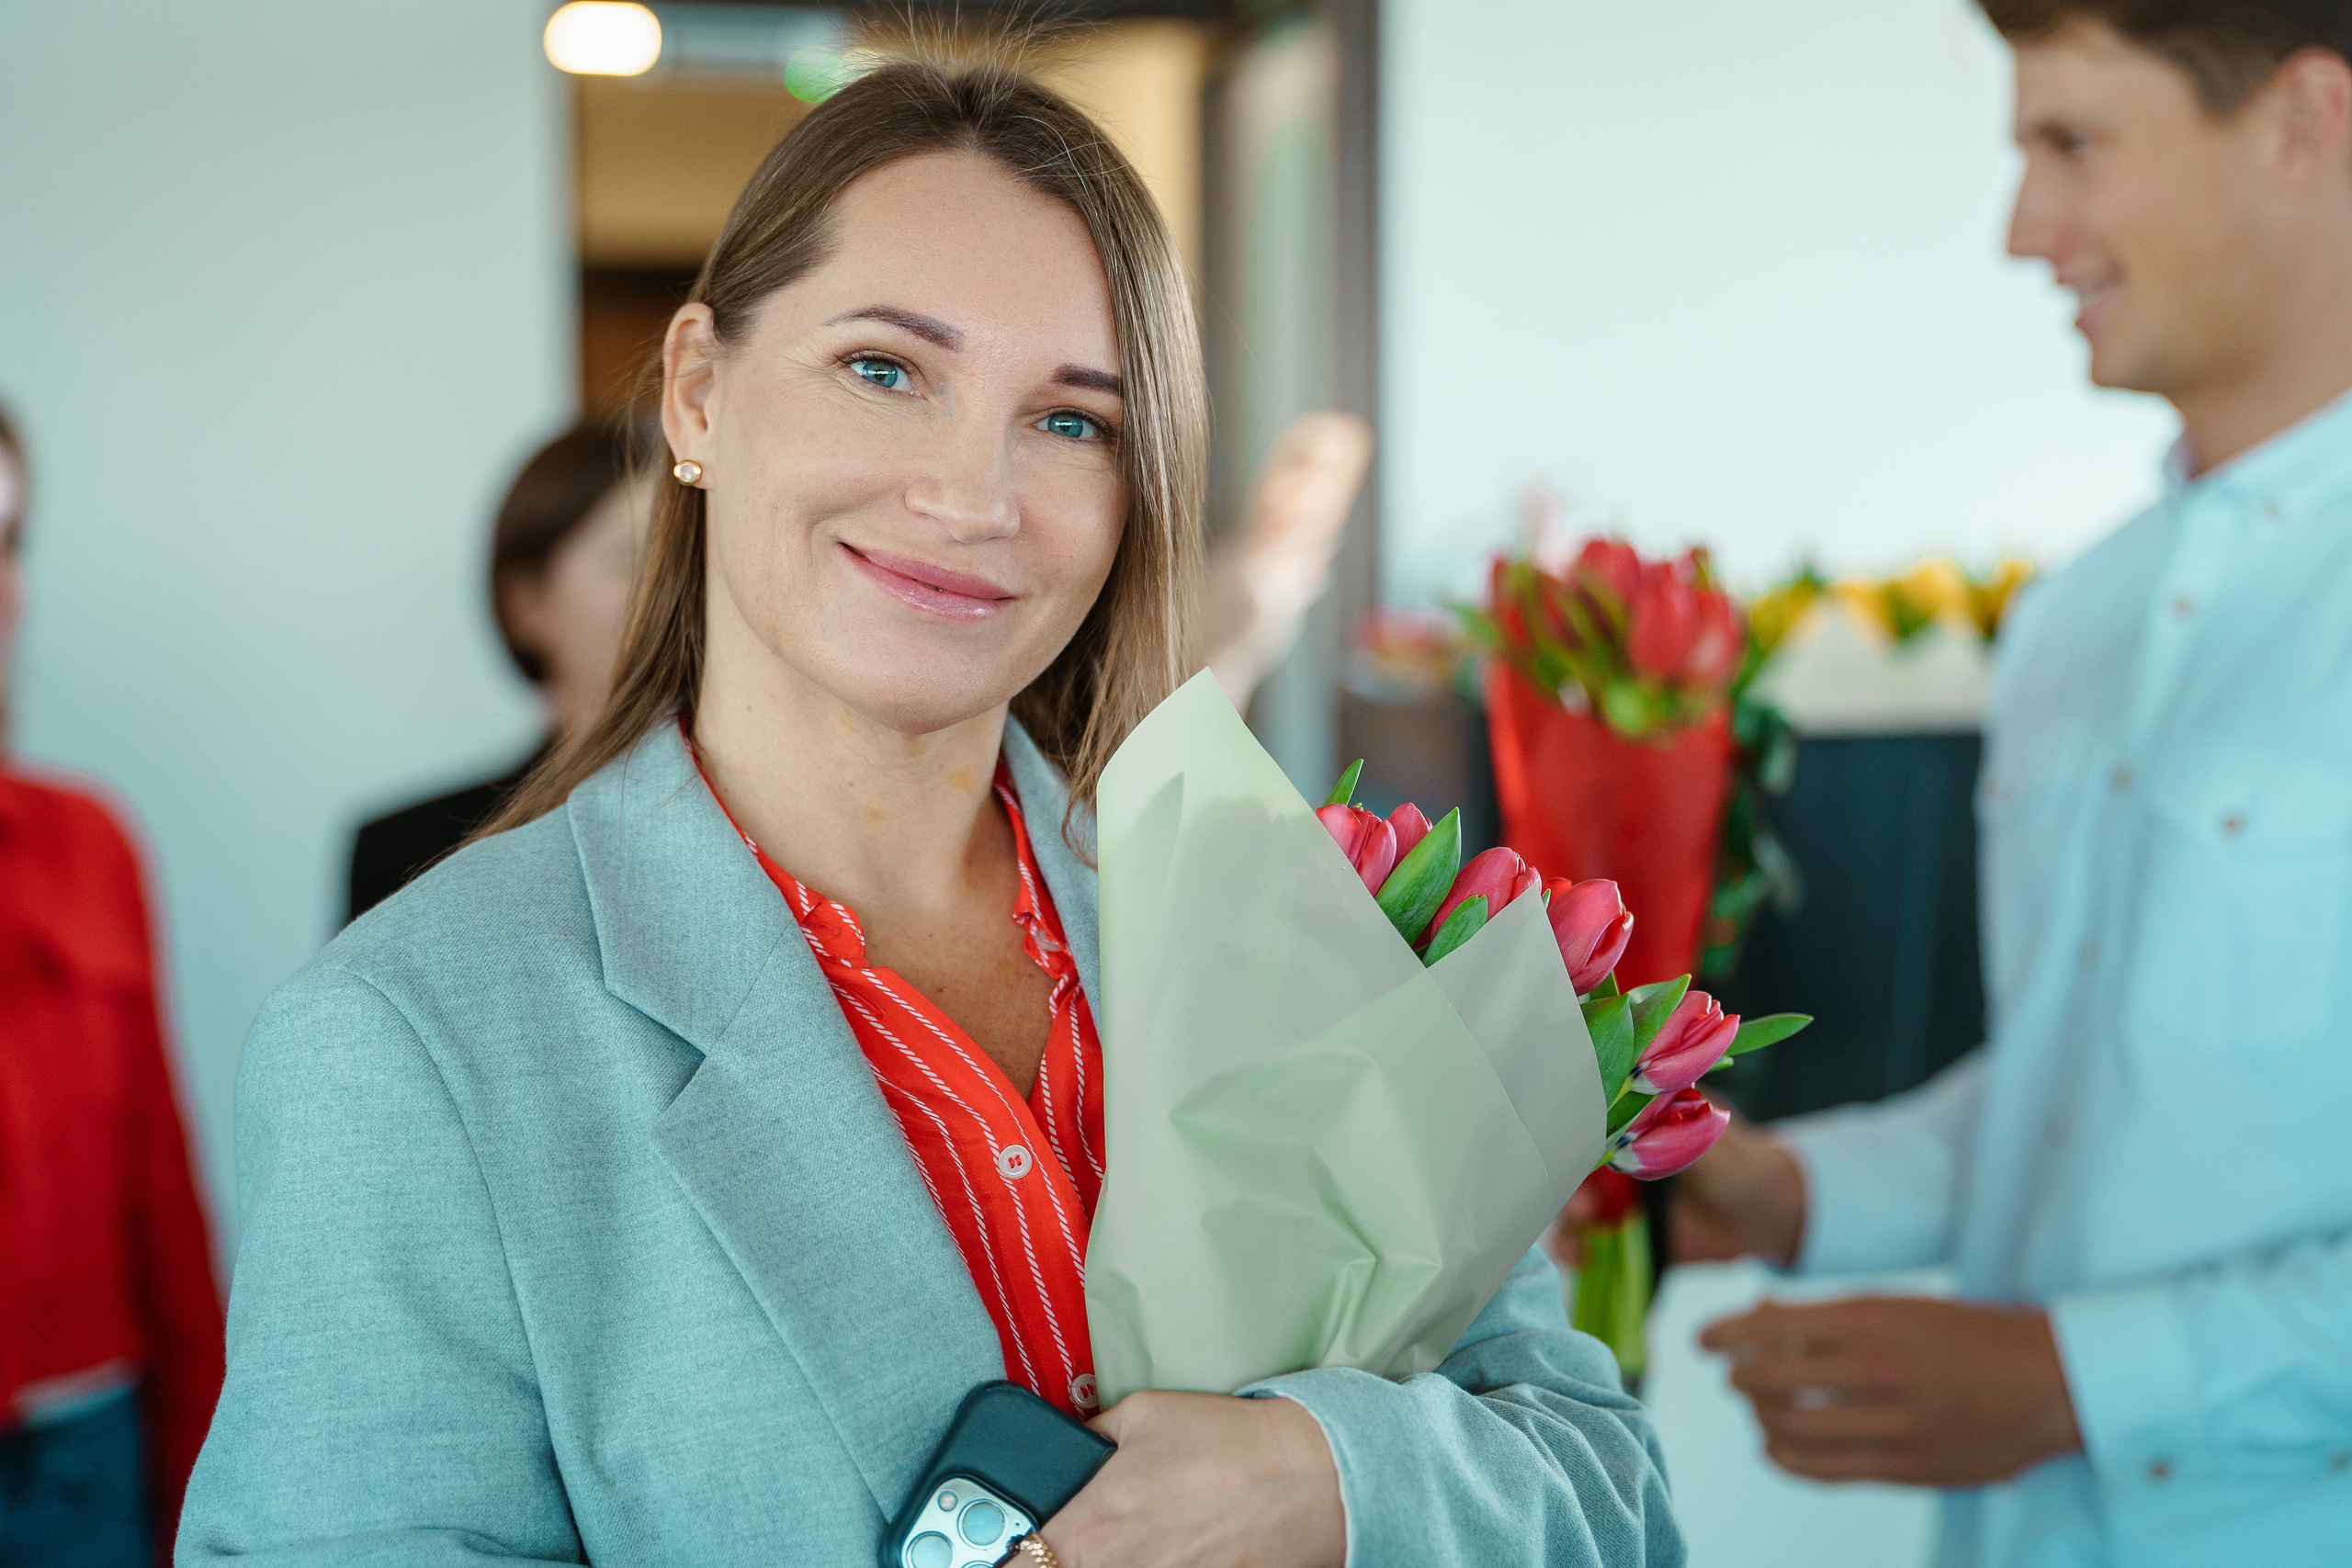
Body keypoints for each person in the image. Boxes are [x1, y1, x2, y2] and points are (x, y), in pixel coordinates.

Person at [178, 57, 1678, 1568]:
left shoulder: (1268, 910)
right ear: (698, 394)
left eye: (1073, 422)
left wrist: (1329, 1482)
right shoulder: (409, 1039)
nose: (974, 496)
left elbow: (1617, 1495)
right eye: (886, 371)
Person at [1676, 5, 2352, 1563]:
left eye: (2073, 145)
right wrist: (1784, 1191)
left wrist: (2078, 1381)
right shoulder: (2073, 625)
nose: (2022, 231)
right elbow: (2086, 1084)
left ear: (2305, 123)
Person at [0, 401, 226, 1564]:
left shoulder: (90, 843)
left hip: (91, 1451)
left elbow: (162, 1197)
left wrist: (208, 1479)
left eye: (8, 541)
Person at [345, 421, 652, 921]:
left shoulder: (774, 833)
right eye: (633, 560)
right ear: (526, 603)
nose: (676, 597)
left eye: (691, 565)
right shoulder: (413, 856)